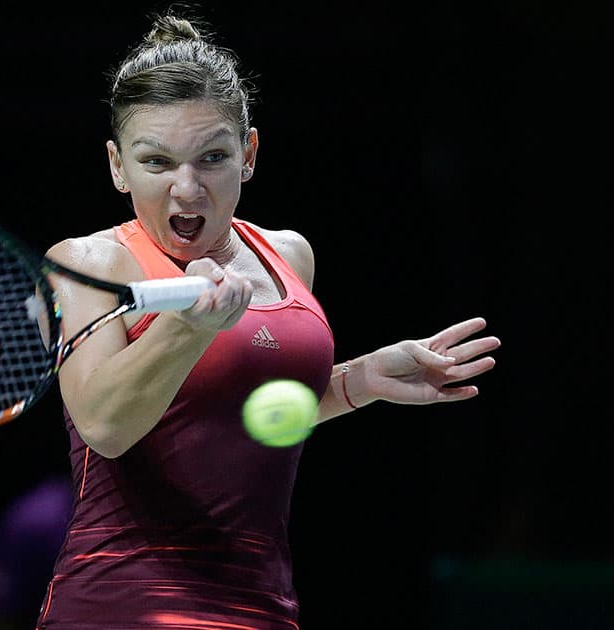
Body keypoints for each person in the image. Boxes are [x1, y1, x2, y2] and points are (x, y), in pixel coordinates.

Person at [34, 11, 500, 630]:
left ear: (249, 153)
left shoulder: (289, 255)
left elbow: (235, 414)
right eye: (156, 162)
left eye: (212, 157)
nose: (187, 189)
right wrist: (188, 327)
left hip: (263, 606)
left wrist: (359, 381)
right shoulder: (86, 264)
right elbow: (106, 426)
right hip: (123, 604)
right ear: (118, 167)